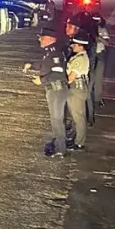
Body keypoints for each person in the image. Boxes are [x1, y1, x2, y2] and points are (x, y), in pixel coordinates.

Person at [24, 26, 69, 157]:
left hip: (57, 89)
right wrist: (31, 65)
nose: (39, 40)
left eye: (41, 38)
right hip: (52, 89)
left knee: (57, 120)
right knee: (55, 119)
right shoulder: (49, 52)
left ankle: (61, 149)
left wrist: (42, 80)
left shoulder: (55, 54)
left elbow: (58, 73)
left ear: (49, 39)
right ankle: (59, 143)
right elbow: (44, 64)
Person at [65, 35, 90, 151]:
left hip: (76, 88)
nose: (72, 46)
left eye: (74, 44)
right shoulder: (81, 56)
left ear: (80, 46)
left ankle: (79, 142)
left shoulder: (79, 59)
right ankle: (76, 139)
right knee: (77, 116)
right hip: (79, 88)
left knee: (78, 117)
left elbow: (70, 78)